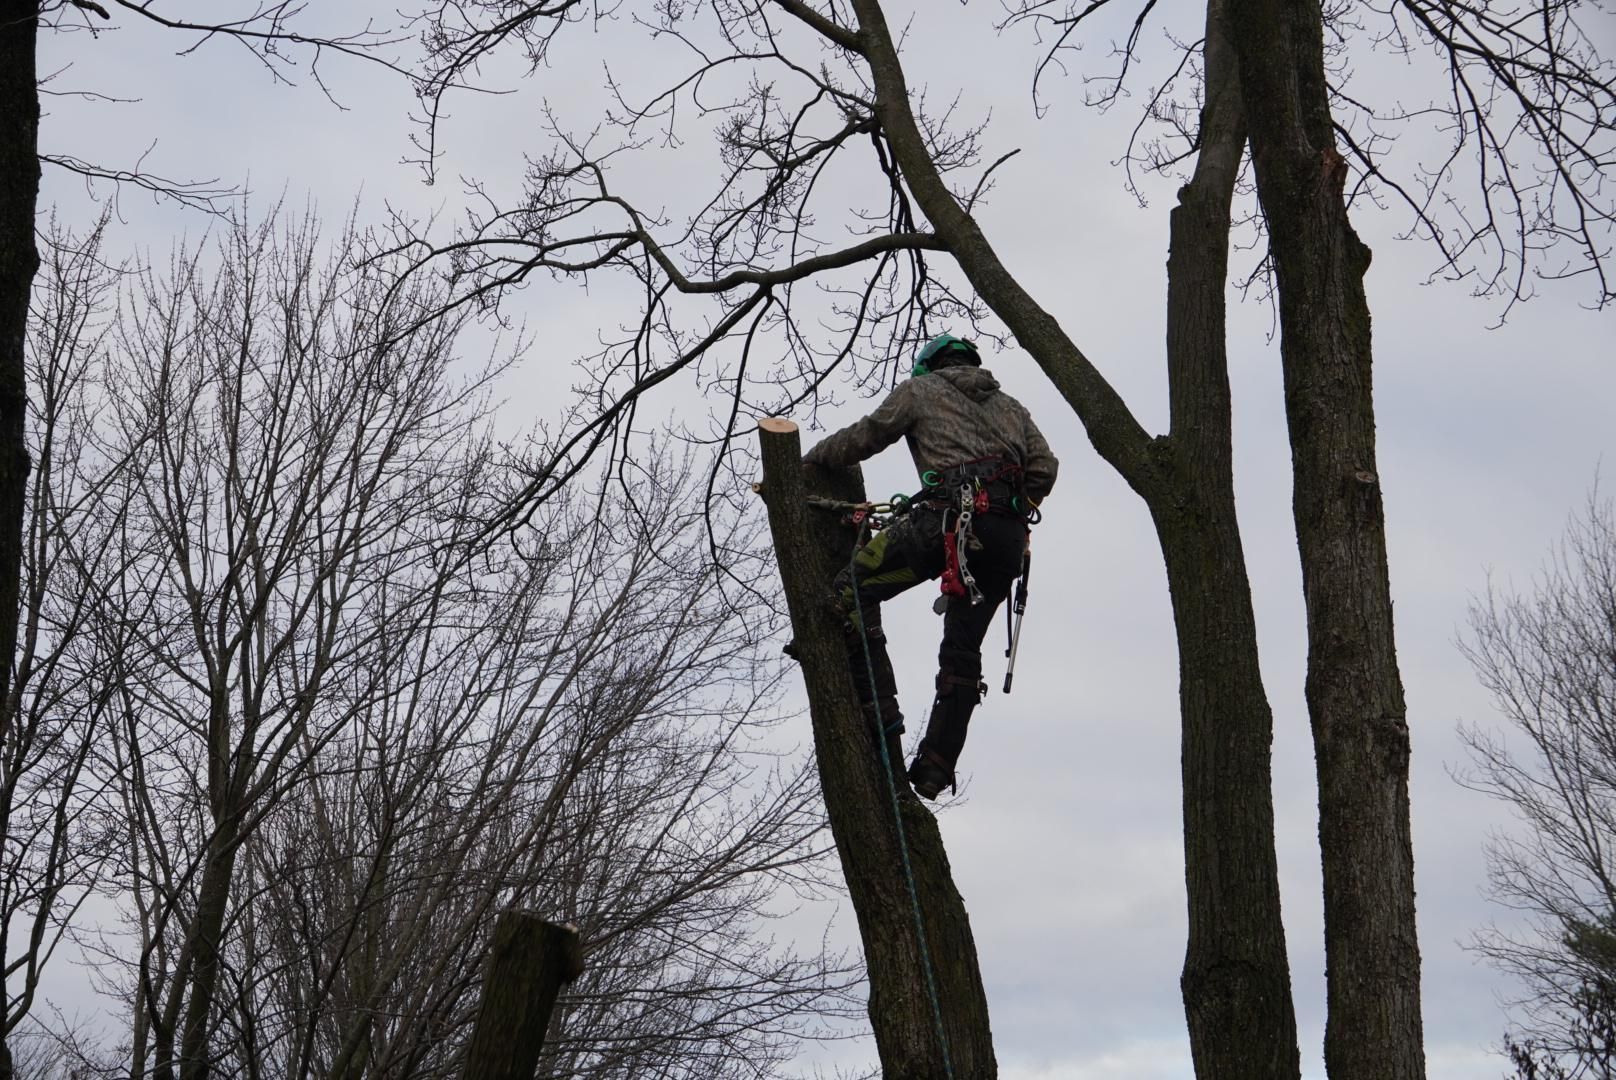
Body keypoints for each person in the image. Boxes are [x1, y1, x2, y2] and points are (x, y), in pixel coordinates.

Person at [803, 334, 1058, 799]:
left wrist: (809, 461)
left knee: (852, 589)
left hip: (948, 524)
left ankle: (879, 714)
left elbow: (865, 436)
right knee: (962, 653)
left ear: (929, 366)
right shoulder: (1012, 407)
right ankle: (936, 766)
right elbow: (1045, 467)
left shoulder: (920, 391)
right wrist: (1015, 504)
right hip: (1004, 544)